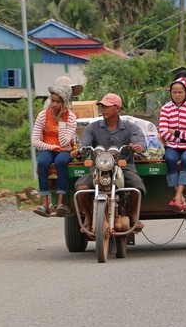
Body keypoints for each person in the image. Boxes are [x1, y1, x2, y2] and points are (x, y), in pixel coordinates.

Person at [72, 93, 146, 230]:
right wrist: (80, 151)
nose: (103, 109)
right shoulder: (92, 127)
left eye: (107, 106)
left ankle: (134, 216)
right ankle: (88, 216)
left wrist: (138, 146)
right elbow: (85, 147)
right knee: (81, 188)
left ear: (117, 108)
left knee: (137, 187)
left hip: (124, 168)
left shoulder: (131, 127)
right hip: (98, 169)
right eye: (102, 106)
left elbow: (141, 145)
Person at [31, 83, 77, 217]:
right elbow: (35, 141)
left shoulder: (71, 118)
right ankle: (45, 204)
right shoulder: (43, 116)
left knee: (61, 162)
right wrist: (52, 147)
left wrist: (61, 120)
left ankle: (61, 203)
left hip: (64, 150)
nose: (54, 104)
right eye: (52, 100)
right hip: (48, 148)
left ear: (65, 104)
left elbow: (64, 142)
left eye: (58, 102)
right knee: (43, 162)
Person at [159, 78, 186, 211]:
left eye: (180, 92)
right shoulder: (165, 109)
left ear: (185, 93)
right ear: (171, 93)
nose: (177, 95)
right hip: (172, 146)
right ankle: (180, 197)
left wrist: (177, 134)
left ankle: (177, 195)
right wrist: (184, 136)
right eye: (174, 92)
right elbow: (163, 132)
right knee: (170, 159)